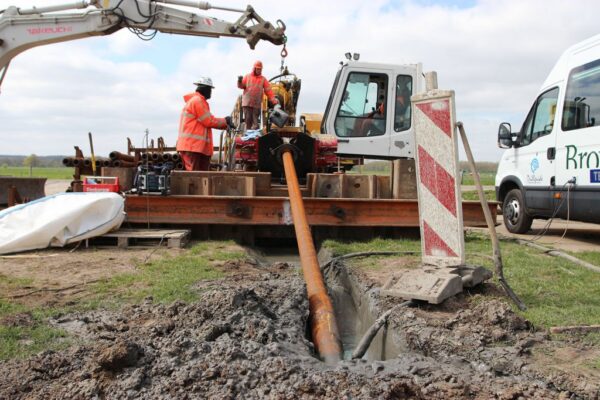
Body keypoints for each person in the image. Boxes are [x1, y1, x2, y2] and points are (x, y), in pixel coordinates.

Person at [176, 77, 233, 171]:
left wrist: (225, 124)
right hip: (192, 147)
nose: (210, 92)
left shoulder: (197, 101)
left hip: (194, 147)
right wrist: (225, 121)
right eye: (210, 89)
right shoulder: (197, 101)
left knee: (200, 176)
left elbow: (207, 121)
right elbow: (209, 121)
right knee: (195, 177)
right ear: (204, 88)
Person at [237, 60, 278, 130]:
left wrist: (274, 101)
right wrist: (239, 81)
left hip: (256, 104)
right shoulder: (247, 77)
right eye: (258, 69)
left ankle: (254, 137)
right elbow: (241, 86)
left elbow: (268, 91)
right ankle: (248, 136)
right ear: (254, 68)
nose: (259, 70)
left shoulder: (263, 79)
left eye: (260, 69)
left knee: (255, 123)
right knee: (248, 121)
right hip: (247, 104)